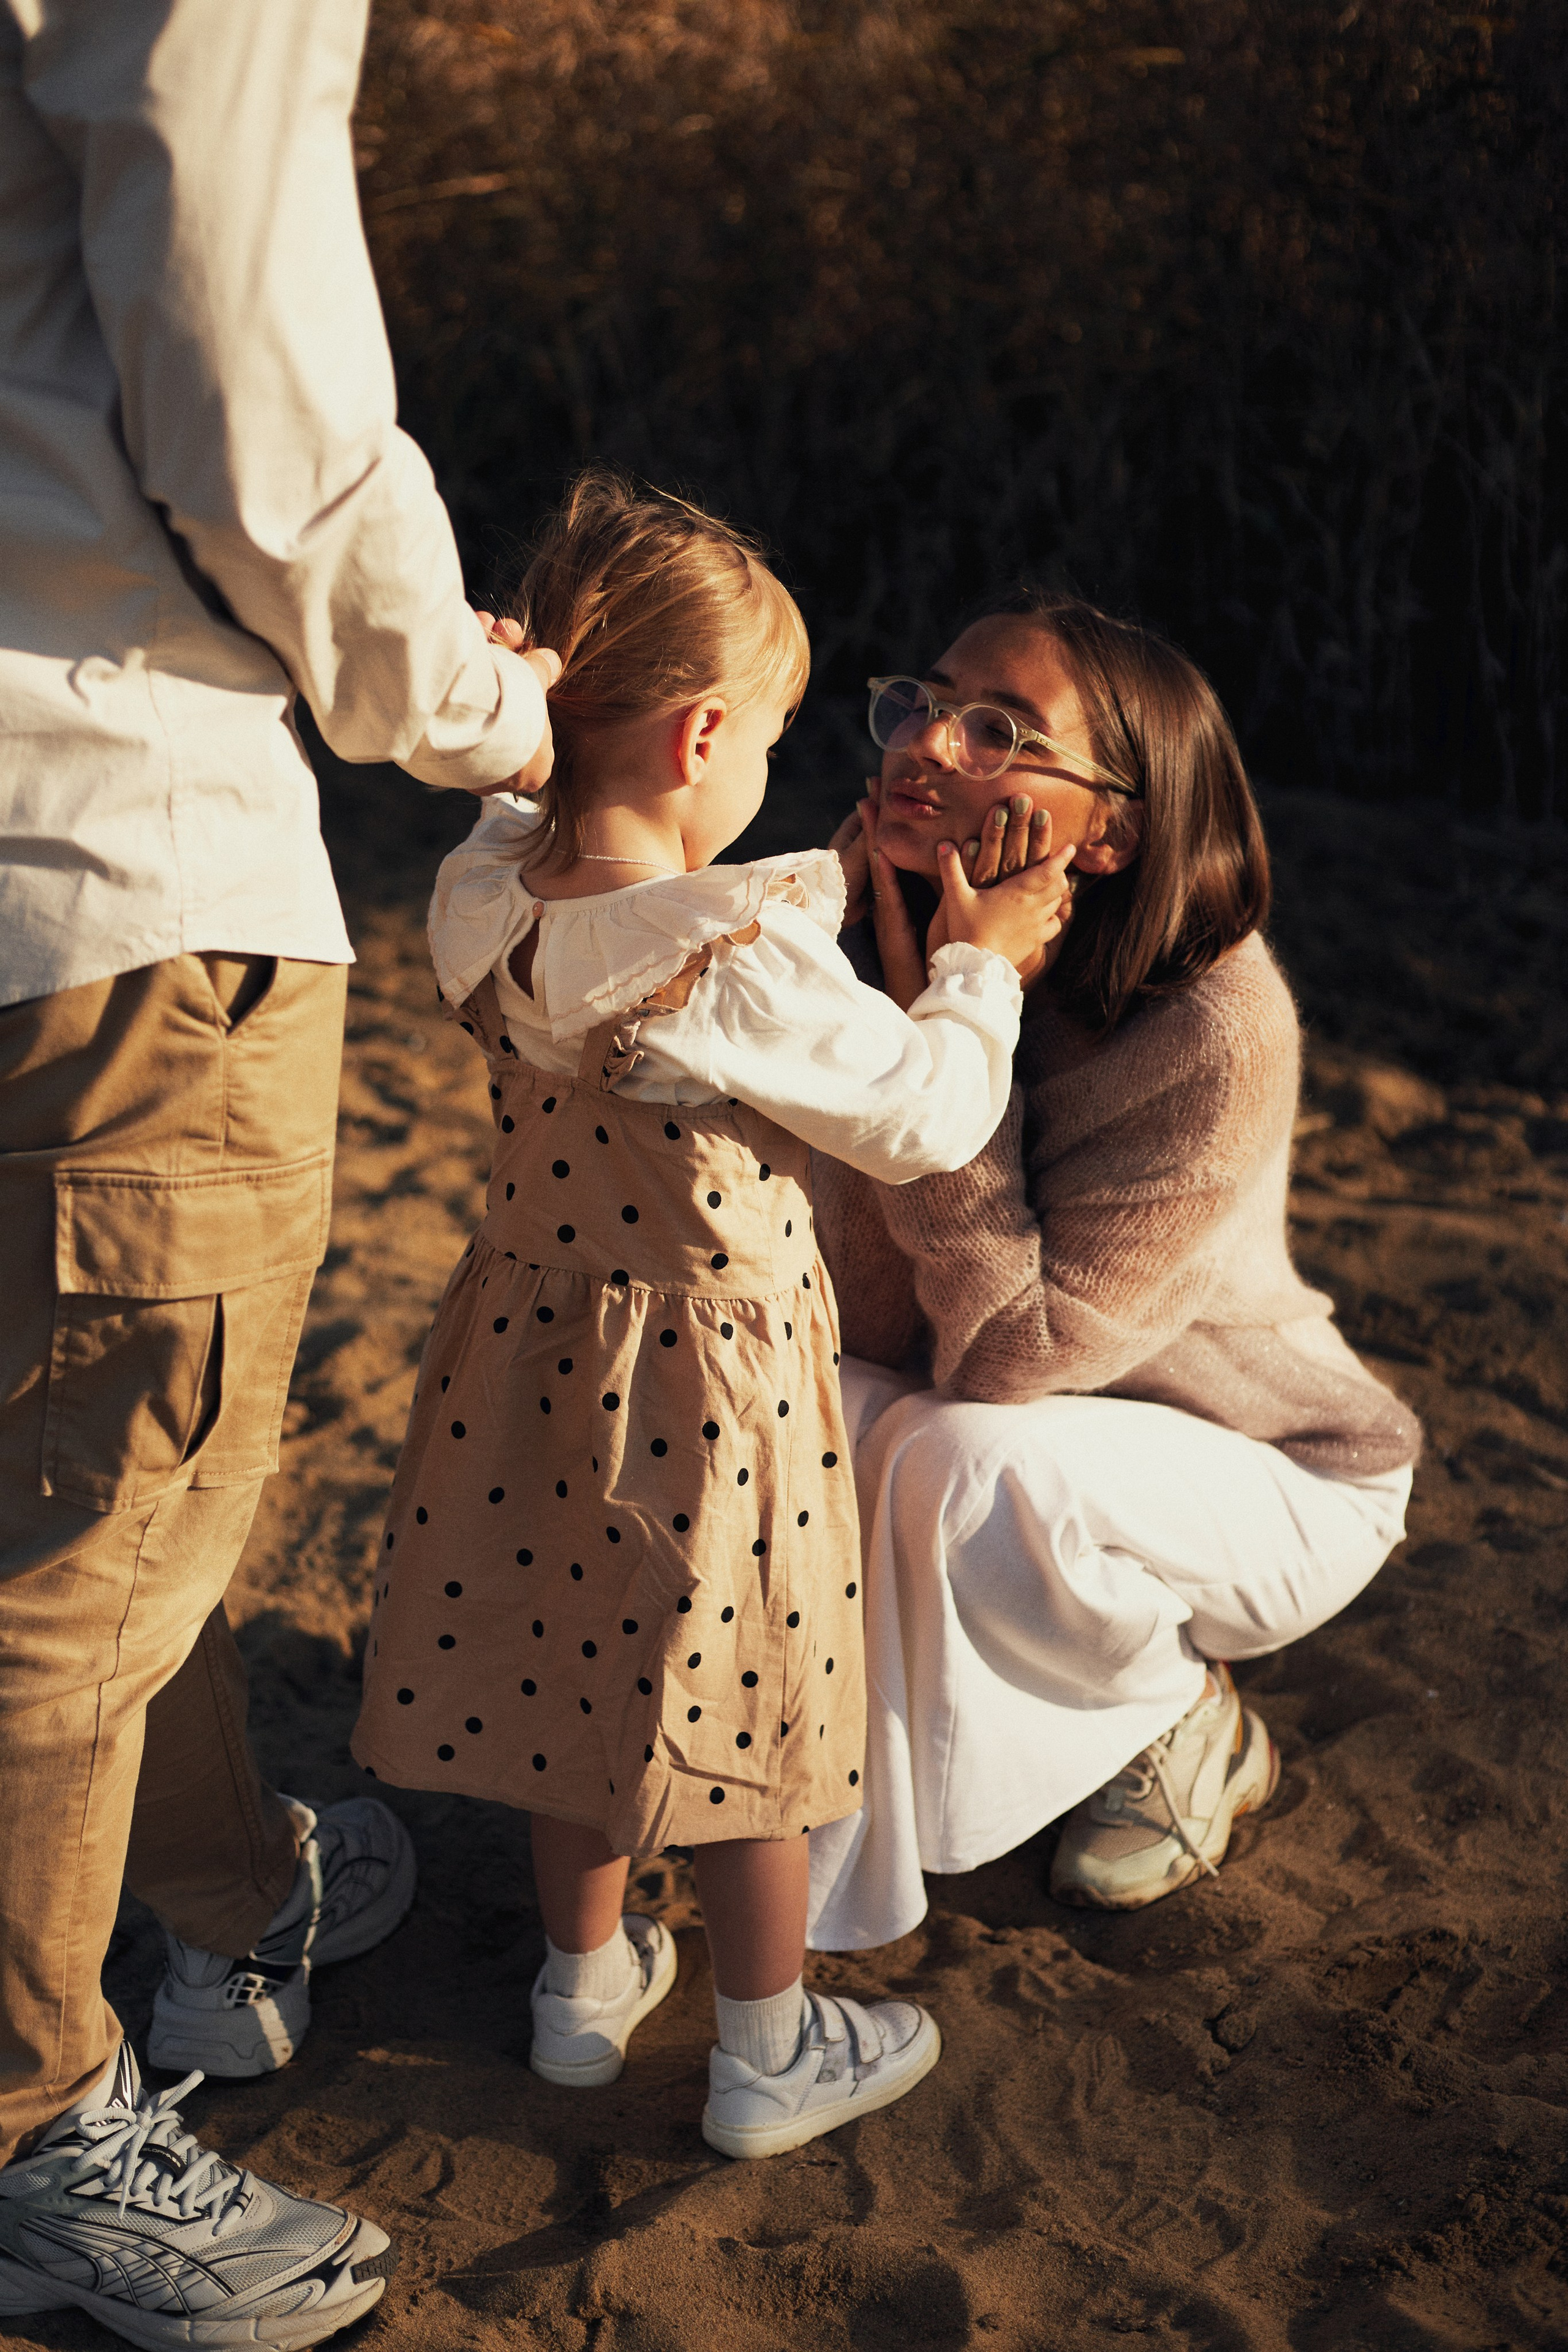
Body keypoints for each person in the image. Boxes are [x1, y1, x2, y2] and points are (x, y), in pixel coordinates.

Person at [0, 2, 557, 2341]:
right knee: (88, 1521)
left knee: (95, 1474)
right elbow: (256, 401)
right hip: (109, 832)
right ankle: (31, 2124)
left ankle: (221, 1881)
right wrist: (503, 713)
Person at [352, 471, 1072, 2157]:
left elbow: (555, 855)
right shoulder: (734, 951)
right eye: (765, 742)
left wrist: (524, 735)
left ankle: (580, 1992)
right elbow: (921, 1116)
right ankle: (765, 2043)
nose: (768, 781)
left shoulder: (486, 893)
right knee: (753, 1688)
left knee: (566, 1659)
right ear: (697, 743)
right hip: (714, 1382)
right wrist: (986, 966)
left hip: (529, 1359)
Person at [805, 594, 1422, 1953]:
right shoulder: (860, 931)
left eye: (995, 732)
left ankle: (1177, 1715)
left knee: (963, 1455)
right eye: (922, 702)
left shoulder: (1216, 1029)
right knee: (798, 1401)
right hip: (1012, 1421)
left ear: (1112, 829)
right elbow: (859, 1315)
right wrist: (892, 988)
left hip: (1266, 1471)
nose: (924, 745)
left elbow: (1006, 1360)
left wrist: (947, 1029)